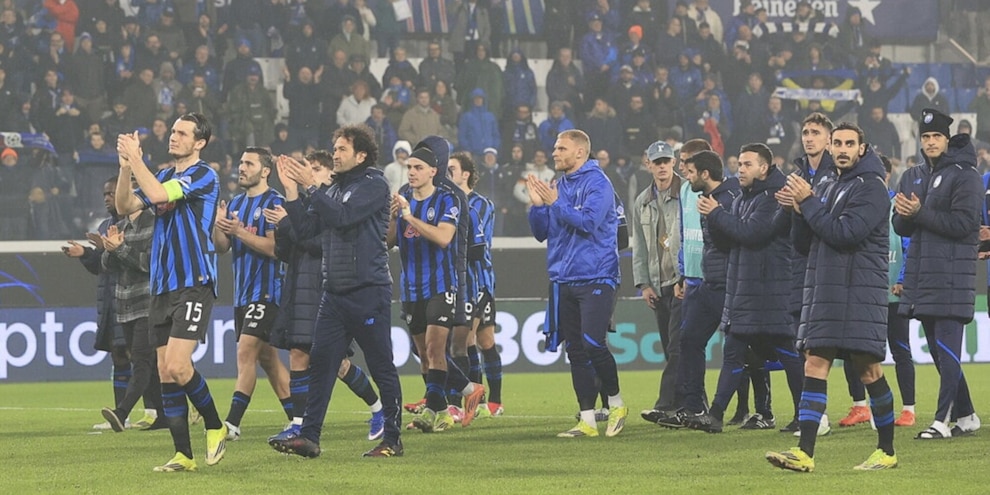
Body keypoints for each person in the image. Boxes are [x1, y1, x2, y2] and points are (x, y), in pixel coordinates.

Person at [766, 122, 897, 472]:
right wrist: (798, 211)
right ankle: (805, 452)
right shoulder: (828, 185)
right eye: (837, 143)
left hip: (858, 291)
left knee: (869, 370)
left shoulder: (873, 188)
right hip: (826, 287)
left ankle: (886, 450)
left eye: (849, 143)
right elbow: (804, 244)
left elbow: (845, 233)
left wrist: (808, 202)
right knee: (815, 362)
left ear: (862, 149)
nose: (841, 149)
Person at [269, 124, 404, 458]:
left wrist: (313, 186)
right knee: (322, 364)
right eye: (334, 147)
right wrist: (292, 192)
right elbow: (304, 229)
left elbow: (343, 218)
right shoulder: (332, 189)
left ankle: (393, 439)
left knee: (381, 366)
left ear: (360, 155)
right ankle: (309, 437)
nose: (335, 154)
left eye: (341, 149)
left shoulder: (373, 185)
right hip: (334, 294)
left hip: (368, 291)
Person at [112, 113, 227, 472]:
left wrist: (137, 159)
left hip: (193, 281)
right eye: (173, 131)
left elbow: (160, 196)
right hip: (161, 286)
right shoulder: (161, 174)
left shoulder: (203, 175)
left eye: (182, 133)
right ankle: (183, 455)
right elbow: (125, 207)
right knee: (165, 372)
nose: (174, 137)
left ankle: (215, 423)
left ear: (200, 142)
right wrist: (126, 168)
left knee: (178, 365)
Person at [686, 143, 803, 434]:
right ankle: (715, 415)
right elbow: (733, 239)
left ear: (764, 167)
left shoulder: (776, 197)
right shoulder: (743, 198)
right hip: (746, 288)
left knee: (788, 353)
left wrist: (716, 215)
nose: (740, 169)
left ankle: (805, 413)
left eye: (747, 164)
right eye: (739, 164)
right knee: (733, 351)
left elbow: (752, 234)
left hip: (771, 289)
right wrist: (715, 220)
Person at [527, 129, 627, 438]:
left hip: (597, 274)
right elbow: (541, 233)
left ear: (580, 153)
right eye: (555, 148)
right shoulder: (559, 185)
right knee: (576, 352)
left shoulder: (599, 184)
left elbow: (588, 223)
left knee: (593, 342)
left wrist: (554, 202)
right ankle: (587, 420)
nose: (554, 153)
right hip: (563, 278)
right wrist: (538, 206)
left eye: (561, 148)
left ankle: (616, 403)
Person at [893, 108, 982, 439]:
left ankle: (941, 422)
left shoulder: (965, 175)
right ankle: (967, 415)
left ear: (948, 139)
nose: (930, 142)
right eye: (926, 137)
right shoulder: (913, 175)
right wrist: (904, 216)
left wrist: (920, 212)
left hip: (951, 276)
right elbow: (901, 225)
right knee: (940, 354)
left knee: (947, 352)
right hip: (923, 275)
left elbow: (964, 225)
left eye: (936, 137)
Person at [387, 143, 485, 433]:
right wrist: (394, 218)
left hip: (442, 284)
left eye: (418, 168)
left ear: (433, 171)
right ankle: (455, 400)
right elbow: (389, 241)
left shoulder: (447, 199)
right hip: (411, 286)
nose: (412, 172)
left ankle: (431, 411)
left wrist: (408, 217)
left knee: (433, 347)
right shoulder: (403, 196)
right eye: (410, 168)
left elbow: (444, 238)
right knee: (424, 354)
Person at [212, 147, 292, 440]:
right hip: (243, 295)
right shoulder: (235, 203)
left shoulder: (275, 203)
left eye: (248, 163)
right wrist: (219, 225)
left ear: (265, 170)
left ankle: (231, 423)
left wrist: (239, 231)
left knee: (245, 352)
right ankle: (297, 417)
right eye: (241, 162)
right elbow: (222, 247)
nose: (241, 168)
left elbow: (275, 249)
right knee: (268, 360)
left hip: (268, 291)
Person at [656, 150, 739, 429]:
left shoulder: (729, 199)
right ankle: (693, 407)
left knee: (747, 352)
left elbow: (735, 239)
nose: (686, 176)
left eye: (690, 172)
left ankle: (758, 411)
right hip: (705, 283)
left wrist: (716, 216)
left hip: (729, 285)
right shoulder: (705, 199)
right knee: (688, 340)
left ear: (705, 174)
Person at [839, 154, 917, 429]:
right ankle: (860, 406)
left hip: (894, 291)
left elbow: (909, 245)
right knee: (853, 350)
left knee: (900, 349)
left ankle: (909, 409)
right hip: (863, 291)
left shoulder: (899, 204)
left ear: (887, 175)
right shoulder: (857, 202)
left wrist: (905, 279)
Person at [774, 112, 836, 434]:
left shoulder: (835, 173)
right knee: (804, 344)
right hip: (800, 267)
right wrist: (787, 208)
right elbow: (788, 230)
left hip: (828, 266)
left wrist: (803, 205)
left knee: (834, 349)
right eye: (805, 132)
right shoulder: (796, 175)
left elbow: (829, 220)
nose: (809, 137)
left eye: (815, 132)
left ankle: (844, 410)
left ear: (828, 138)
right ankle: (811, 414)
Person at [62, 178, 133, 430]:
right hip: (110, 299)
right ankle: (121, 416)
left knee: (137, 355)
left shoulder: (134, 222)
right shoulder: (105, 225)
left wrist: (110, 249)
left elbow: (133, 260)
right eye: (104, 193)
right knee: (118, 354)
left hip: (131, 297)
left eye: (111, 193)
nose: (106, 198)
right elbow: (101, 266)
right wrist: (85, 254)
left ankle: (157, 409)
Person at [99, 177, 164, 432]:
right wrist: (110, 250)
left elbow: (149, 264)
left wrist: (121, 249)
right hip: (124, 304)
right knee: (148, 362)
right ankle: (164, 415)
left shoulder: (155, 223)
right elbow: (106, 266)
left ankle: (121, 412)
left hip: (147, 303)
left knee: (142, 360)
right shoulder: (121, 225)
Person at [447, 152, 503, 417]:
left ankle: (489, 399)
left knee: (479, 340)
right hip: (458, 282)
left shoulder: (480, 204)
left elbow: (475, 242)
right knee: (475, 339)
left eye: (451, 169)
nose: (446, 174)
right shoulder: (447, 201)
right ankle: (478, 401)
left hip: (478, 280)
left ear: (465, 174)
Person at [632, 141, 683, 420]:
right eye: (657, 161)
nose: (662, 166)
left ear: (674, 162)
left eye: (666, 160)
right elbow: (639, 245)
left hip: (682, 280)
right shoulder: (642, 200)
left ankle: (666, 405)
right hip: (658, 282)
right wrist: (644, 284)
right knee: (669, 347)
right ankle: (689, 402)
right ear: (648, 164)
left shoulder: (687, 192)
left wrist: (687, 276)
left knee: (677, 345)